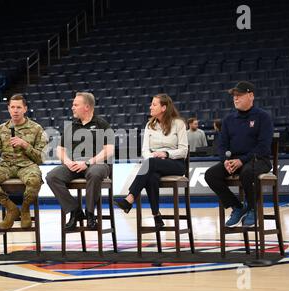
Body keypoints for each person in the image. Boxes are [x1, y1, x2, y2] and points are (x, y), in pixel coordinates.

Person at [204, 81, 273, 228]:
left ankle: (253, 208)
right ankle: (237, 207)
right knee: (210, 175)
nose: (235, 98)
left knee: (247, 173)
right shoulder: (229, 119)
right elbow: (222, 145)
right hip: (235, 161)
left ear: (251, 96)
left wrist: (242, 160)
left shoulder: (263, 117)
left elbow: (263, 146)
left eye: (239, 95)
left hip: (259, 160)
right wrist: (225, 161)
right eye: (234, 96)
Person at [114, 94, 188, 229]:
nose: (150, 107)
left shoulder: (179, 124)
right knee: (151, 176)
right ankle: (156, 216)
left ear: (164, 107)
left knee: (150, 164)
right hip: (154, 164)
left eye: (154, 104)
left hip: (175, 163)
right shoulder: (150, 125)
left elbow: (184, 151)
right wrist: (152, 157)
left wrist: (165, 153)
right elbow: (144, 150)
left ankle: (130, 198)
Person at [46, 92, 114, 231]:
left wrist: (88, 162)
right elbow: (60, 149)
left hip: (97, 164)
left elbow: (109, 150)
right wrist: (67, 161)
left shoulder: (101, 124)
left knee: (94, 173)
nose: (72, 107)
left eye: (76, 105)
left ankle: (90, 214)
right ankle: (75, 211)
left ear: (87, 107)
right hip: (74, 164)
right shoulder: (71, 126)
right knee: (52, 177)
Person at [0, 94, 47, 230]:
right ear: (9, 109)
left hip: (27, 165)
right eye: (13, 107)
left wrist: (25, 145)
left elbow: (41, 158)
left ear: (25, 109)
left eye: (19, 107)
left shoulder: (37, 129)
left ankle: (25, 209)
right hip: (6, 165)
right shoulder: (0, 129)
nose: (15, 110)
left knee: (35, 180)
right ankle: (11, 209)